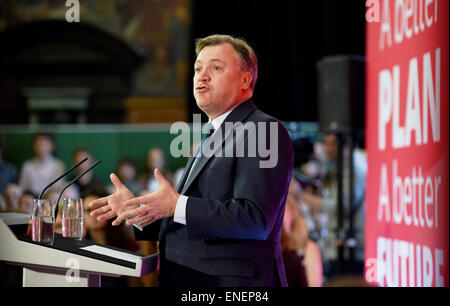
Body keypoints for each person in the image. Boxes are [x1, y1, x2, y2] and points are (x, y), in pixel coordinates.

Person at [89, 34, 294, 287]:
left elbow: (254, 219)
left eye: (216, 67)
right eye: (198, 68)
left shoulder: (262, 130)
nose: (202, 75)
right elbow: (190, 219)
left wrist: (177, 205)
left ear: (245, 79)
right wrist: (139, 209)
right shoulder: (211, 135)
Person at [298, 132, 367, 280]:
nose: (329, 148)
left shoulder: (354, 167)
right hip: (340, 250)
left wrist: (300, 196)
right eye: (326, 143)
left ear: (347, 143)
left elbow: (340, 206)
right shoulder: (344, 166)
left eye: (334, 143)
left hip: (350, 252)